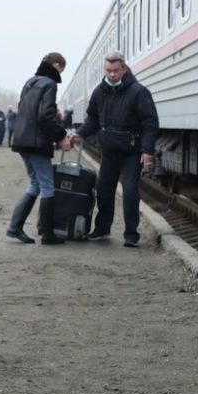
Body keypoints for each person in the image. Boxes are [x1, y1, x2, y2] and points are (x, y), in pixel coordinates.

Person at [72, 51, 158, 248]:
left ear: (124, 69)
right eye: (108, 70)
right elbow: (92, 119)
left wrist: (147, 150)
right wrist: (80, 134)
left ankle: (131, 234)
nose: (112, 75)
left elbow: (150, 123)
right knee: (103, 190)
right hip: (110, 151)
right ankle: (102, 228)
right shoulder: (99, 92)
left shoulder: (138, 91)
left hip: (132, 151)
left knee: (129, 192)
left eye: (116, 70)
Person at [7, 51, 72, 245]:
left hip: (22, 140)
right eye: (62, 69)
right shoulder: (49, 84)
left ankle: (15, 227)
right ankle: (48, 234)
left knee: (35, 183)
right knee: (47, 186)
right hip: (36, 143)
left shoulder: (30, 82)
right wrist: (61, 136)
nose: (61, 73)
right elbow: (45, 116)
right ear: (56, 65)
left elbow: (27, 111)